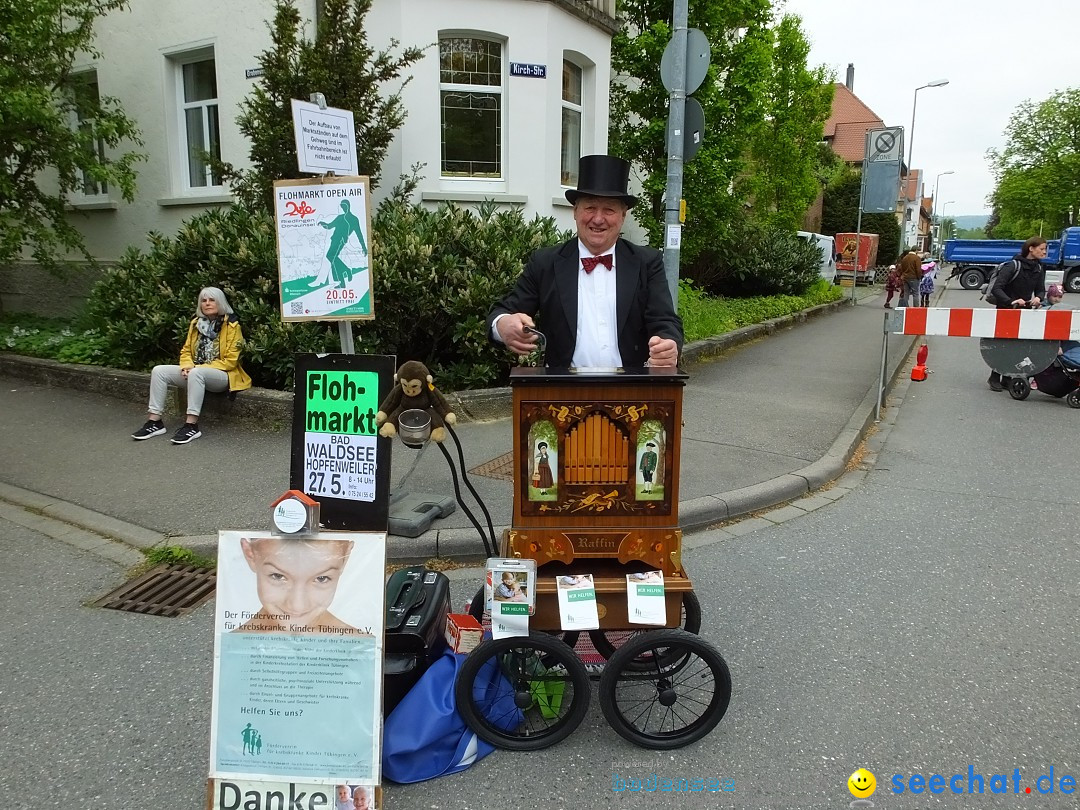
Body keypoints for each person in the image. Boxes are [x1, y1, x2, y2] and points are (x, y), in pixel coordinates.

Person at [487, 154, 683, 369]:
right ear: (575, 211)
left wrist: (668, 344)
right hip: (562, 393)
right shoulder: (545, 262)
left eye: (609, 209)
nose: (598, 219)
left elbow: (665, 320)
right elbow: (505, 310)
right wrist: (503, 324)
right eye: (590, 207)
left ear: (623, 216)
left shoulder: (647, 262)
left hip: (632, 390)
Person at [131, 287, 252, 444]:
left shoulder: (232, 325)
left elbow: (230, 361)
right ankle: (154, 422)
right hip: (196, 372)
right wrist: (187, 366)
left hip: (223, 375)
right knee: (159, 371)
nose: (207, 303)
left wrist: (196, 369)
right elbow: (186, 350)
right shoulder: (196, 324)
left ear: (220, 302)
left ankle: (191, 425)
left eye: (211, 300)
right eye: (204, 300)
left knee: (197, 373)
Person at [233, 536, 362, 634]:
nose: (297, 606)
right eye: (278, 576)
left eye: (322, 578)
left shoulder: (363, 650)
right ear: (250, 555)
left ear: (345, 559)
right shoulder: (229, 650)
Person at [986, 236, 1048, 391]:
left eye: (1045, 249)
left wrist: (1039, 298)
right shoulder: (1013, 266)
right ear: (1031, 249)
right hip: (1006, 310)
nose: (1044, 252)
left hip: (1024, 311)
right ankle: (994, 376)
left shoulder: (1039, 268)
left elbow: (1040, 289)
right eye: (1042, 249)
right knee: (1003, 344)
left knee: (1018, 345)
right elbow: (997, 288)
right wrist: (1011, 301)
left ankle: (1007, 377)